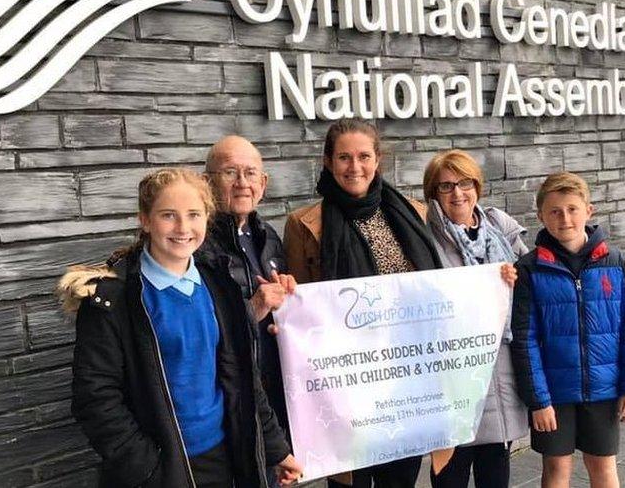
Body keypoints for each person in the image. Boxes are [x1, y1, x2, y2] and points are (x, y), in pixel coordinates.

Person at [60, 168, 302, 488]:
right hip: (162, 469)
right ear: (145, 220)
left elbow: (243, 375)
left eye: (193, 215)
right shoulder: (113, 299)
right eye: (168, 215)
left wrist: (275, 449)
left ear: (207, 218)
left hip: (228, 457)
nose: (183, 228)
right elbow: (95, 397)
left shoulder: (218, 283)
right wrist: (147, 469)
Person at [284, 120, 443, 488]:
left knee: (400, 478)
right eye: (343, 157)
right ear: (328, 162)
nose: (354, 167)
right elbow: (301, 312)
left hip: (406, 381)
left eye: (363, 156)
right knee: (351, 480)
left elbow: (437, 287)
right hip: (346, 383)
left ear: (378, 160)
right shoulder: (305, 225)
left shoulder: (413, 213)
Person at [510, 172, 625, 488]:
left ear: (589, 211)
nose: (564, 218)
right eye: (555, 211)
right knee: (557, 470)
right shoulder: (529, 269)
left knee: (603, 467)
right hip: (554, 394)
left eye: (572, 209)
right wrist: (538, 400)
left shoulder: (616, 262)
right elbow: (524, 339)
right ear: (541, 216)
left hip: (604, 388)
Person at [422, 149, 529, 488]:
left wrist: (517, 280)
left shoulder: (499, 227)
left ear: (477, 186)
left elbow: (533, 282)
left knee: (495, 470)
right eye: (446, 186)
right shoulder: (424, 237)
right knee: (450, 474)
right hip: (453, 377)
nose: (457, 193)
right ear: (433, 194)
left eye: (465, 183)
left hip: (501, 369)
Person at [199, 135, 294, 484]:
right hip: (225, 411)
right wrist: (253, 309)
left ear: (263, 183)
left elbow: (272, 310)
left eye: (251, 173)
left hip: (268, 405)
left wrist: (287, 309)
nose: (242, 183)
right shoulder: (196, 243)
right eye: (230, 173)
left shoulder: (268, 235)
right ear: (207, 182)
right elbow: (201, 330)